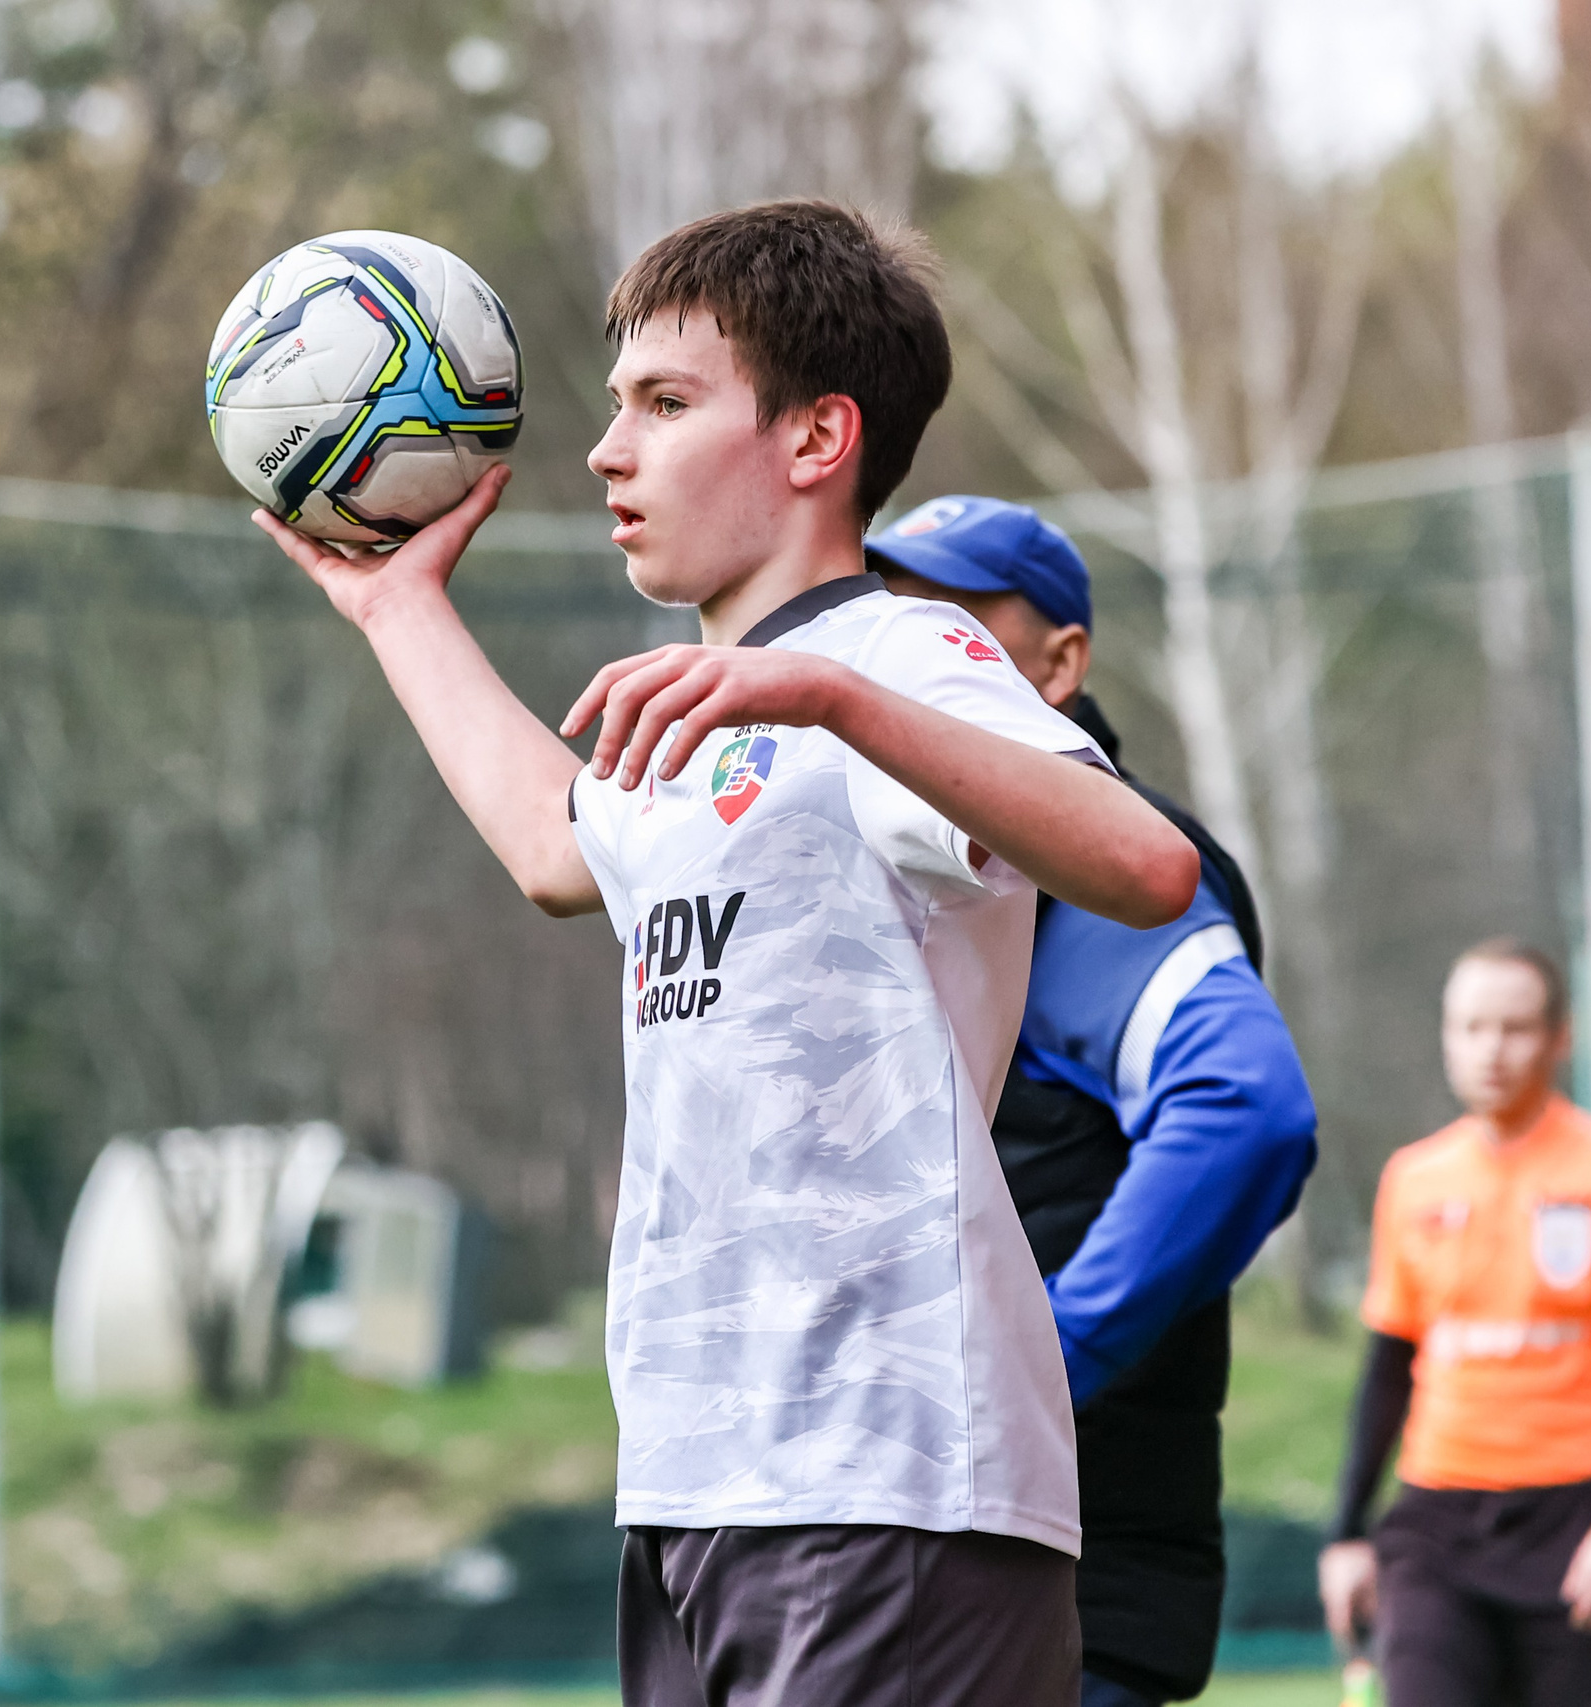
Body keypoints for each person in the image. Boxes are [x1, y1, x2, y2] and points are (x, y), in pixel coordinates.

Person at [254, 199, 1200, 1706]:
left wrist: (832, 699)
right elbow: (560, 846)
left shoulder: (903, 657)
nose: (605, 450)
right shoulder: (706, 718)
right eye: (620, 403)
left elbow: (1149, 863)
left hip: (890, 1476)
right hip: (703, 1474)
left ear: (817, 439)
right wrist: (395, 605)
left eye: (666, 403)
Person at [867, 496, 1320, 1707]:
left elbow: (1244, 1110)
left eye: (955, 625)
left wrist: (1041, 1363)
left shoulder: (1081, 872)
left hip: (1044, 1601)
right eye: (888, 616)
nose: (909, 650)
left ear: (1060, 663)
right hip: (935, 1578)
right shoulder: (933, 856)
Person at [1317, 940, 1591, 1707]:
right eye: (1472, 1026)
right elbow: (1389, 1366)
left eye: (1516, 1027)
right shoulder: (1412, 1177)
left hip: (1577, 1515)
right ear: (1447, 1035)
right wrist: (1347, 1530)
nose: (1493, 1048)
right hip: (1435, 1521)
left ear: (1561, 1037)